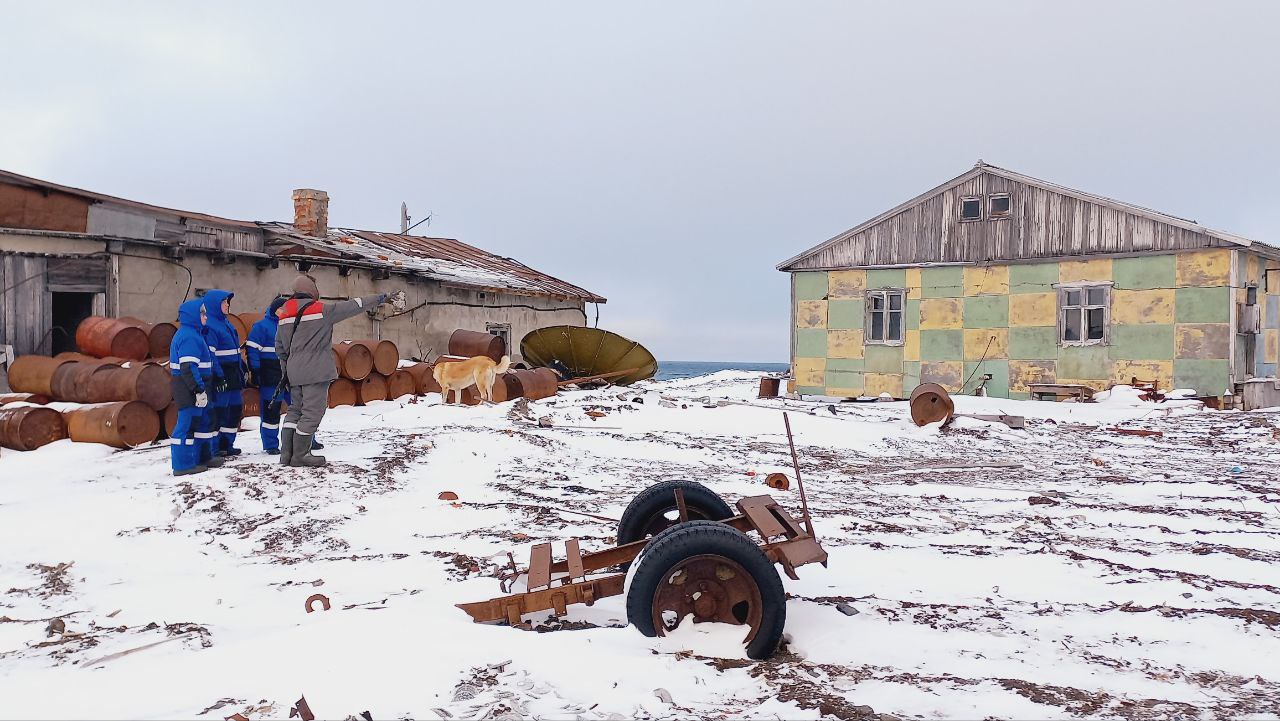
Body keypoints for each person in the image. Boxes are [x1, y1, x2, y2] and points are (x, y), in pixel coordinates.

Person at [276, 274, 390, 467]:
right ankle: (301, 455)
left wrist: (286, 372)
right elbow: (355, 305)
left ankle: (286, 454)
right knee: (312, 411)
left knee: (295, 410)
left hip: (293, 371)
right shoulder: (321, 310)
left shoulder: (284, 315)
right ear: (312, 291)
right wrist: (380, 297)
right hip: (315, 370)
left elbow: (280, 348)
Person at [246, 296, 321, 454]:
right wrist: (256, 371)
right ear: (276, 310)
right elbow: (252, 350)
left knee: (301, 407)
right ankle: (270, 444)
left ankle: (307, 440)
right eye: (284, 309)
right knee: (271, 411)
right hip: (270, 375)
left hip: (292, 374)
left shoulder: (293, 325)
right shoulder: (261, 327)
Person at [168, 298, 215, 476]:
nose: (205, 316)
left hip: (191, 385)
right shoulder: (189, 336)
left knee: (197, 422)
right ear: (193, 316)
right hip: (187, 387)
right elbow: (188, 367)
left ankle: (199, 458)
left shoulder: (194, 334)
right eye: (202, 313)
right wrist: (198, 390)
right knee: (186, 425)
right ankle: (182, 465)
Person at [202, 290, 246, 458]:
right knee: (219, 410)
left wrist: (242, 367)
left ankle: (227, 443)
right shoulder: (210, 326)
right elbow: (210, 355)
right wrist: (218, 376)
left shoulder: (227, 323)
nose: (228, 304)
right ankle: (215, 447)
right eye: (224, 302)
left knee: (235, 409)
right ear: (214, 305)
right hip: (222, 374)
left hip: (233, 372)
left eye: (228, 302)